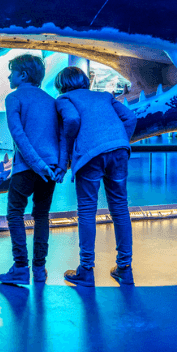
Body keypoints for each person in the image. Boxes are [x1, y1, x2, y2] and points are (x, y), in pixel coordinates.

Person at [55, 66, 138, 287]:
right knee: (120, 208)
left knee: (87, 211)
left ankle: (86, 269)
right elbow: (130, 118)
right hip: (119, 151)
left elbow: (71, 120)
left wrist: (75, 148)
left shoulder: (64, 99)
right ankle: (124, 268)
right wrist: (118, 140)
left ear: (61, 84)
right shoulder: (104, 96)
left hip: (90, 155)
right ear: (84, 81)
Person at [0, 54, 60, 286]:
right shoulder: (51, 100)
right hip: (50, 169)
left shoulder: (13, 98)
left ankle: (21, 267)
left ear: (22, 75)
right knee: (41, 215)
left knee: (14, 213)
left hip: (27, 167)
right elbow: (59, 136)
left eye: (12, 72)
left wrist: (36, 164)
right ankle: (40, 269)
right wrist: (57, 165)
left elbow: (19, 135)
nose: (8, 76)